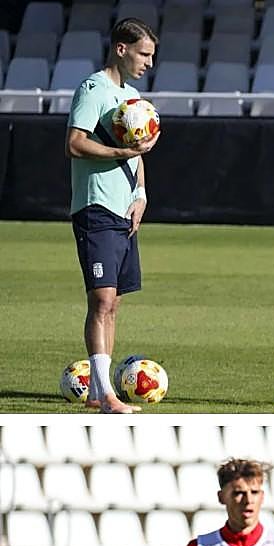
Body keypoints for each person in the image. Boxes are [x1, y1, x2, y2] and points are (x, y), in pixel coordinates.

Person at [65, 18, 159, 415]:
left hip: (124, 210)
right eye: (144, 54)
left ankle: (96, 391)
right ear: (121, 49)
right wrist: (120, 153)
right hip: (96, 207)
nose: (149, 63)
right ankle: (106, 396)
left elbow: (139, 154)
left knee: (114, 302)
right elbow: (75, 143)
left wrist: (140, 194)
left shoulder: (132, 97)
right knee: (101, 299)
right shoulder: (93, 89)